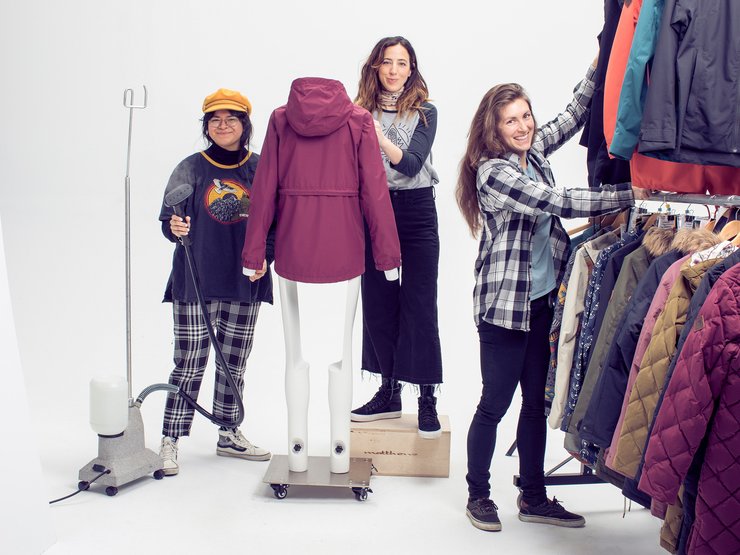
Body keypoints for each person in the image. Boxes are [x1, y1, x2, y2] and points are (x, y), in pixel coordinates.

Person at [455, 59, 634, 530]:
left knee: (535, 403)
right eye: (510, 119)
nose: (523, 126)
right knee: (494, 403)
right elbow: (554, 201)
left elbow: (573, 114)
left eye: (526, 116)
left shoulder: (532, 152)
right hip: (502, 309)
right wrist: (629, 195)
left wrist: (605, 59)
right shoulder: (493, 171)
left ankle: (533, 496)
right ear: (493, 128)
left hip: (541, 304)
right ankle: (478, 495)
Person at [158, 88, 273, 476]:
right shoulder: (191, 167)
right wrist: (174, 227)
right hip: (195, 279)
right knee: (188, 363)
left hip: (245, 279)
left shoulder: (261, 168)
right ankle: (170, 438)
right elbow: (169, 221)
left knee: (234, 363)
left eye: (231, 118)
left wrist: (265, 260)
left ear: (245, 124)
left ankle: (229, 432)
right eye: (214, 120)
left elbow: (277, 225)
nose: (222, 125)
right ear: (206, 126)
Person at [352, 36, 444, 438]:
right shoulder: (357, 114)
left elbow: (409, 164)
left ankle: (427, 399)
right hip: (373, 210)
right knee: (377, 302)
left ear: (412, 69)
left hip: (416, 209)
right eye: (386, 62)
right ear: (375, 67)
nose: (393, 70)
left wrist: (375, 135)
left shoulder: (425, 112)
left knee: (420, 304)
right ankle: (388, 392)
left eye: (401, 63)